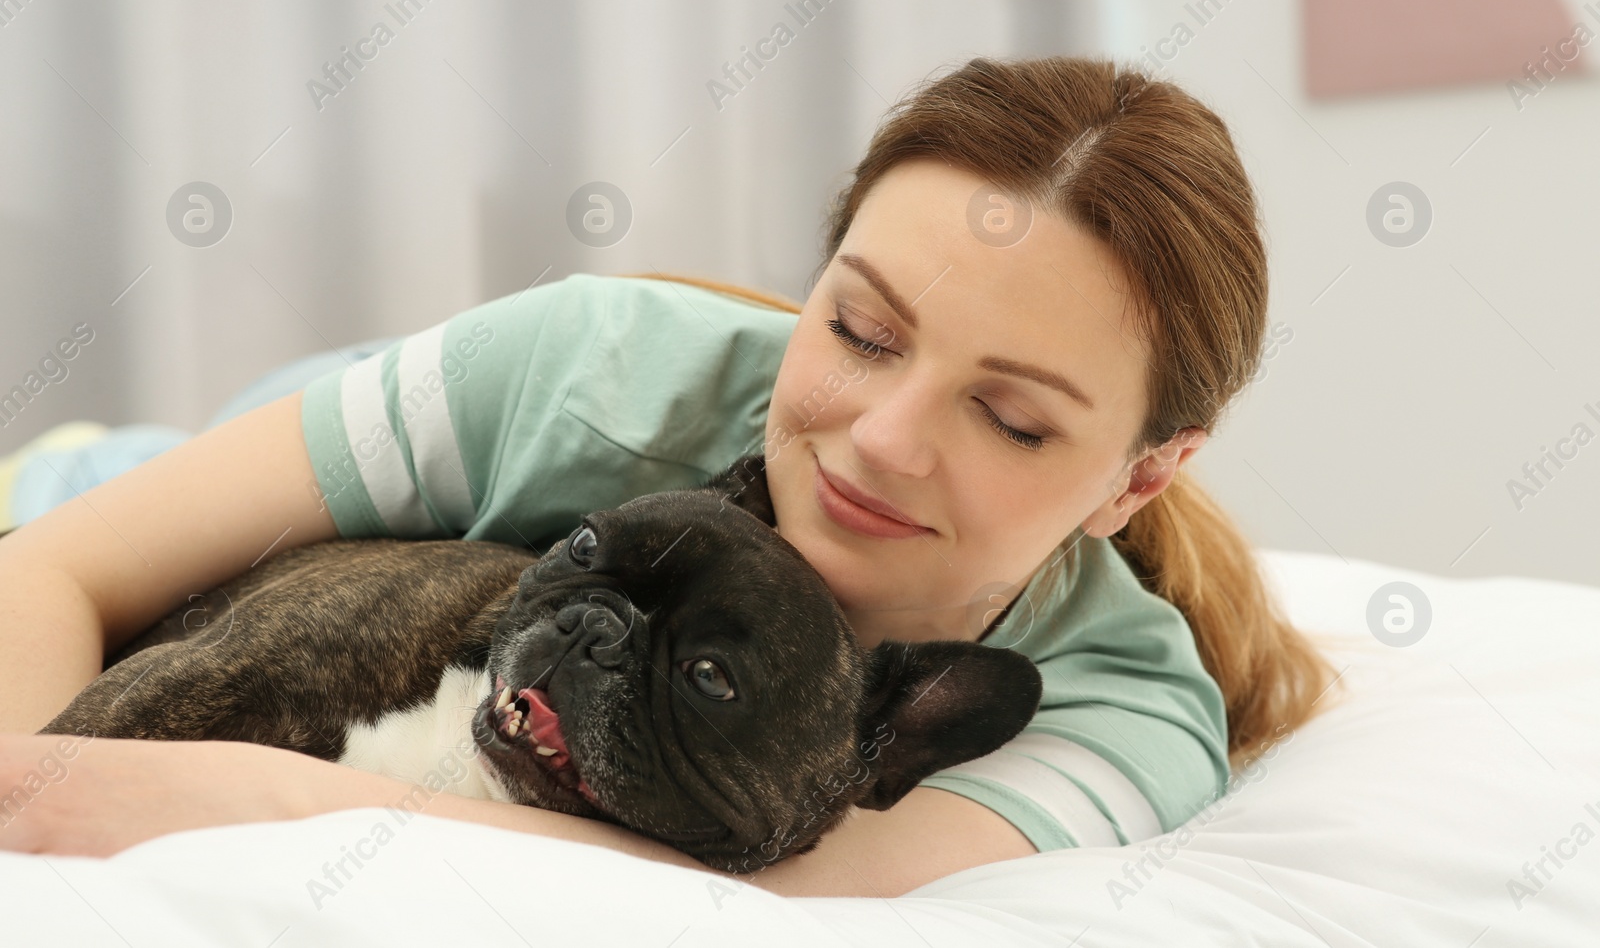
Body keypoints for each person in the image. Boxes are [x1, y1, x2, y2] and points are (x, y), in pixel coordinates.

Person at [0, 56, 1334, 896]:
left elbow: (804, 895)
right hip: (218, 475)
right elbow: (61, 560)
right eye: (860, 331)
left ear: (1140, 481)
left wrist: (275, 799)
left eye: (1012, 418)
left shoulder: (1123, 711)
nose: (880, 436)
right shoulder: (589, 371)